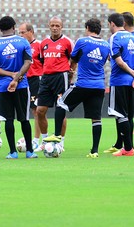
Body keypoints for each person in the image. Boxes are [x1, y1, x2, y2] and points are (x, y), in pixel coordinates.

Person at [47, 18, 110, 159]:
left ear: (87, 28)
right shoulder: (106, 45)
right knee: (96, 118)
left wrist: (71, 73)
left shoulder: (82, 41)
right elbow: (104, 61)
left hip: (83, 84)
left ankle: (57, 135)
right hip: (99, 85)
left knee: (61, 103)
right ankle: (94, 151)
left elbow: (73, 59)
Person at [0, 16, 36, 159]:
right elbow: (28, 62)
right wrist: (16, 77)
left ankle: (13, 152)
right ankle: (30, 152)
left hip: (3, 87)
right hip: (21, 85)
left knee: (8, 119)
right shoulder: (23, 42)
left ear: (0, 29)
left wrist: (9, 75)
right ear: (14, 27)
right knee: (24, 119)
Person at [105, 13, 134, 157]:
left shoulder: (114, 38)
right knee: (129, 116)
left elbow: (119, 62)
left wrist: (131, 73)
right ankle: (130, 146)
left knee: (120, 115)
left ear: (112, 24)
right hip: (132, 83)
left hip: (119, 81)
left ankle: (127, 149)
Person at [35, 17, 73, 147]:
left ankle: (60, 142)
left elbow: (73, 59)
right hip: (46, 78)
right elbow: (41, 60)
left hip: (61, 77)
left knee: (60, 110)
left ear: (61, 27)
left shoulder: (67, 42)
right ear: (49, 26)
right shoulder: (43, 43)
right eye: (52, 25)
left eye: (57, 25)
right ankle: (45, 141)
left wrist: (71, 72)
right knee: (40, 110)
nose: (55, 28)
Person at [19, 22, 43, 150]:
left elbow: (45, 63)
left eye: (23, 32)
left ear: (31, 32)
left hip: (36, 80)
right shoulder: (21, 46)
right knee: (26, 111)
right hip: (23, 80)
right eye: (19, 33)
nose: (21, 35)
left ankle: (36, 140)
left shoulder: (39, 45)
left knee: (36, 111)